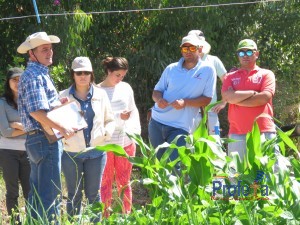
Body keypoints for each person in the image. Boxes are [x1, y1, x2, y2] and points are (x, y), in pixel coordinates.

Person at [17, 32, 76, 223]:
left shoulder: (36, 73)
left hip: (37, 139)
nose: (49, 52)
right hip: (45, 139)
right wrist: (64, 128)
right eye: (44, 49)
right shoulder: (35, 75)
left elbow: (40, 109)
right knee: (50, 195)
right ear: (31, 54)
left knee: (38, 193)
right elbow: (37, 112)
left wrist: (58, 104)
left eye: (50, 48)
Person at [59, 57, 115, 222]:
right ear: (73, 75)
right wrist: (63, 134)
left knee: (93, 194)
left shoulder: (101, 94)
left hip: (96, 152)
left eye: (86, 72)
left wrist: (106, 134)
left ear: (91, 74)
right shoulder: (62, 95)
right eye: (78, 73)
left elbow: (110, 119)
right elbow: (55, 123)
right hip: (71, 153)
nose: (82, 76)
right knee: (74, 194)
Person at [148, 34, 216, 164]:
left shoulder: (208, 70)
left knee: (174, 167)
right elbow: (156, 91)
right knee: (159, 165)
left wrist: (186, 103)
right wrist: (159, 100)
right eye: (185, 49)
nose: (188, 52)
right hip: (157, 122)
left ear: (199, 49)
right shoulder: (171, 68)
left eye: (191, 48)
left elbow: (207, 99)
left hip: (180, 127)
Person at [98, 57, 141, 217]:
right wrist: (118, 116)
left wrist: (135, 136)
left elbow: (133, 111)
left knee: (124, 182)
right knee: (105, 183)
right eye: (117, 75)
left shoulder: (126, 88)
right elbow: (97, 118)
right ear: (108, 71)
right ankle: (105, 216)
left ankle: (126, 216)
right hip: (106, 144)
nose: (120, 79)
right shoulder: (97, 90)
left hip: (125, 142)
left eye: (123, 76)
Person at [221, 39, 276, 161]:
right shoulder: (230, 77)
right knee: (237, 175)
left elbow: (264, 98)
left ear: (256, 54)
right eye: (241, 53)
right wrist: (252, 93)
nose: (245, 55)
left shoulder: (266, 74)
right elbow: (226, 97)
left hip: (263, 131)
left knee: (265, 175)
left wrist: (236, 99)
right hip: (237, 133)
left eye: (249, 52)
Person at [0, 67, 30, 223]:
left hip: (28, 151)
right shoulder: (2, 102)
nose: (18, 82)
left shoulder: (30, 100)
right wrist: (26, 128)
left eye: (20, 79)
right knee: (12, 192)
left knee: (30, 191)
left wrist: (16, 125)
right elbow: (5, 132)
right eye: (14, 79)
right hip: (8, 152)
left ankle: (33, 220)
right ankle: (15, 221)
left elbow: (37, 125)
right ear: (8, 82)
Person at [188, 30, 227, 135]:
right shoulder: (185, 63)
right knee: (191, 144)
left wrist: (224, 102)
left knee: (215, 141)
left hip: (212, 111)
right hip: (192, 111)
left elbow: (227, 81)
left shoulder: (213, 60)